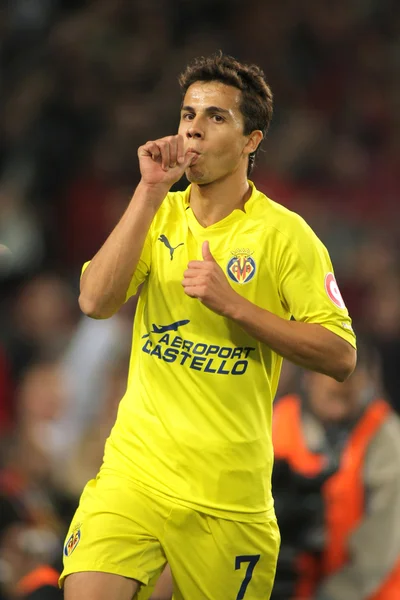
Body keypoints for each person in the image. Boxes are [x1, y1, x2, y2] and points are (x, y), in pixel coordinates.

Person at [60, 53, 356, 600]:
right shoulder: (156, 215)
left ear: (252, 140)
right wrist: (149, 189)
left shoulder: (286, 236)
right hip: (136, 474)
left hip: (229, 498)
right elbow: (94, 301)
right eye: (187, 113)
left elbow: (340, 355)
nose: (194, 125)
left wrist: (237, 306)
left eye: (216, 116)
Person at [272, 343, 400, 600]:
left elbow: (379, 547)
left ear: (367, 381)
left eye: (352, 375)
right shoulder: (278, 421)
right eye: (331, 375)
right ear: (308, 377)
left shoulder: (385, 437)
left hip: (366, 591)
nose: (342, 384)